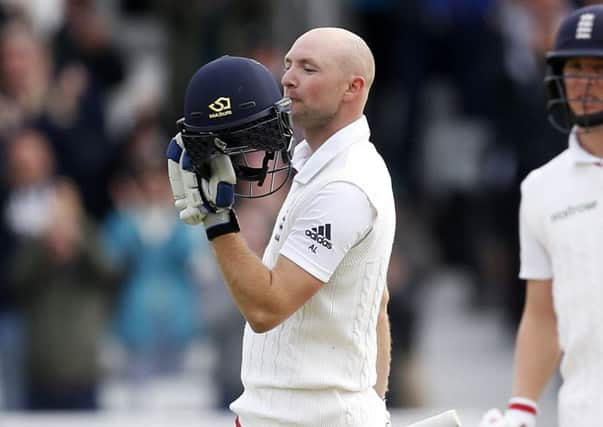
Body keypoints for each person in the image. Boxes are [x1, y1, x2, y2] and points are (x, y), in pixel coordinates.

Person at [166, 27, 395, 426]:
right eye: (288, 64)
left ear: (352, 87)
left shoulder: (345, 184)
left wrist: (217, 219)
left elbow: (267, 307)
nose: (288, 78)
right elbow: (376, 304)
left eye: (309, 69)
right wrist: (369, 409)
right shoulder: (317, 165)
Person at [479, 4, 603, 427]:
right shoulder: (541, 188)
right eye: (574, 69)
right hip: (583, 411)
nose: (584, 84)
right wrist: (523, 407)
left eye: (597, 68)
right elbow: (542, 313)